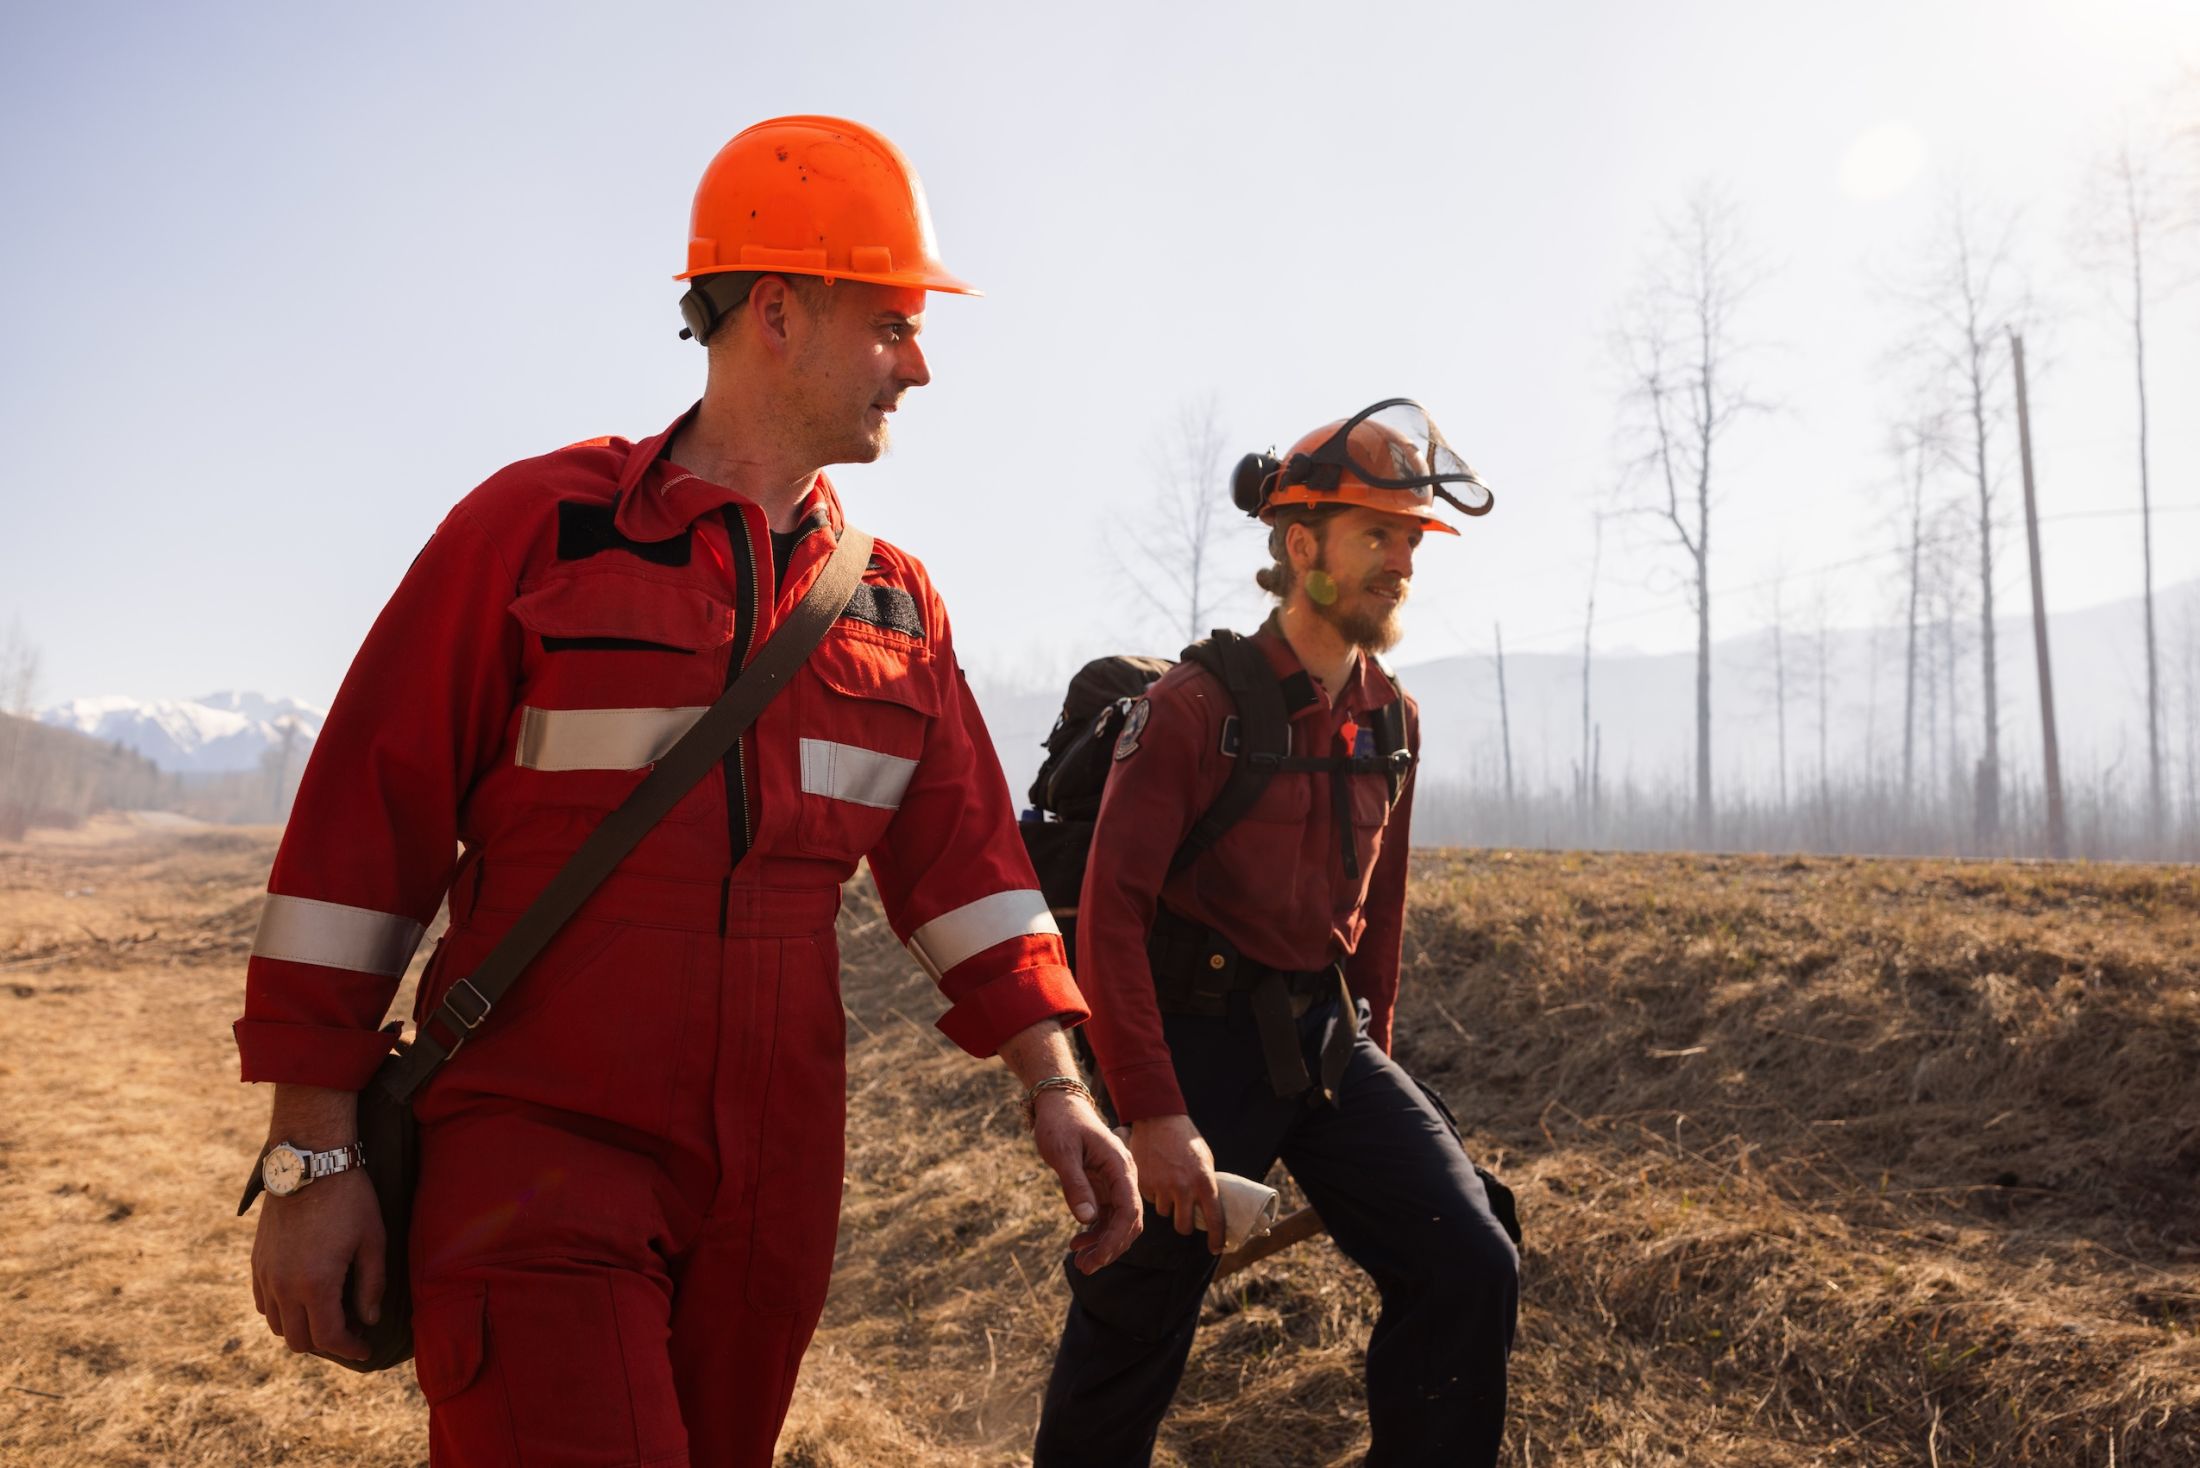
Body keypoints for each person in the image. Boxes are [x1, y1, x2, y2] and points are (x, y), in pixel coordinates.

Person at [236, 116, 1138, 1467]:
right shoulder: (537, 532)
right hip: (535, 1153)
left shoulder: (893, 604)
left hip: (772, 1184)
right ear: (778, 308)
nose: (922, 364)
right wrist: (316, 1157)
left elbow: (971, 868)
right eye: (894, 322)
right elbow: (359, 842)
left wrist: (1056, 1084)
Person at [1032, 402, 1521, 1467]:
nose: (1401, 561)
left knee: (1470, 1258)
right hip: (1189, 1040)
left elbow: (1376, 915)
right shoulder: (1192, 710)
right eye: (1376, 537)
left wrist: (1376, 1059)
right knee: (1136, 1314)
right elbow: (1111, 920)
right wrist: (1154, 1116)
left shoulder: (1393, 718)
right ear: (1301, 547)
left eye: (1409, 540)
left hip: (1323, 1038)